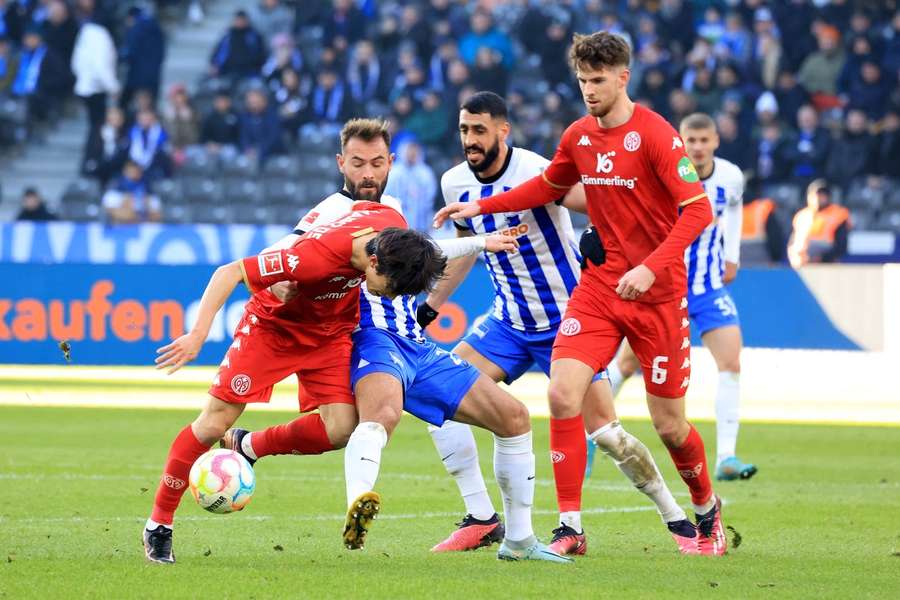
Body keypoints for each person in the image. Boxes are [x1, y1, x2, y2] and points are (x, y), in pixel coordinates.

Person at [219, 119, 570, 563]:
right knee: (380, 415)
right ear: (341, 164)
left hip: (416, 343)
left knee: (515, 418)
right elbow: (284, 252)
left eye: (378, 163)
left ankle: (518, 541)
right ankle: (358, 503)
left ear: (389, 164)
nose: (369, 174)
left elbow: (423, 250)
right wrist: (275, 282)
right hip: (370, 338)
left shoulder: (392, 209)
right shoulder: (329, 211)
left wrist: (482, 243)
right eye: (359, 164)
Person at [434, 32, 728, 556]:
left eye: (598, 80)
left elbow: (698, 210)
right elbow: (547, 187)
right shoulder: (578, 136)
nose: (589, 91)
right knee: (561, 394)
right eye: (582, 81)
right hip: (597, 288)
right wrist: (477, 210)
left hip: (657, 295)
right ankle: (569, 529)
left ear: (622, 78)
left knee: (670, 425)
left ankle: (706, 512)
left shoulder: (657, 136)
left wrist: (652, 268)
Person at [142, 197, 443, 564]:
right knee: (214, 422)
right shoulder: (313, 258)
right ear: (375, 261)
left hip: (330, 333)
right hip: (274, 329)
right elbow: (230, 271)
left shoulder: (390, 221)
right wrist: (198, 335)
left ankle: (248, 446)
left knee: (343, 429)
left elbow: (342, 211)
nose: (390, 295)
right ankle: (160, 524)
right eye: (391, 287)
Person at [606, 113, 757, 482]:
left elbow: (734, 207)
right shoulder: (664, 174)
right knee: (626, 366)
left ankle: (726, 457)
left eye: (705, 140)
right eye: (691, 140)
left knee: (731, 363)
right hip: (665, 288)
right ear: (680, 141)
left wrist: (732, 255)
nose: (699, 148)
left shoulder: (731, 177)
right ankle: (594, 433)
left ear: (716, 141)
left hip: (707, 288)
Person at [70, 17, 118, 135]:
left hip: (84, 87)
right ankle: (93, 153)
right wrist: (113, 87)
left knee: (94, 125)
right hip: (96, 88)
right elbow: (100, 66)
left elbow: (75, 64)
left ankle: (90, 152)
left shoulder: (84, 35)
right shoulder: (100, 35)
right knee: (98, 125)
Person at [788, 179, 851, 267]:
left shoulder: (838, 214)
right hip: (801, 264)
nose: (819, 198)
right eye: (816, 195)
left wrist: (822, 258)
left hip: (826, 263)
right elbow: (793, 241)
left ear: (828, 197)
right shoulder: (802, 215)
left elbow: (841, 245)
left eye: (822, 195)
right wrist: (794, 257)